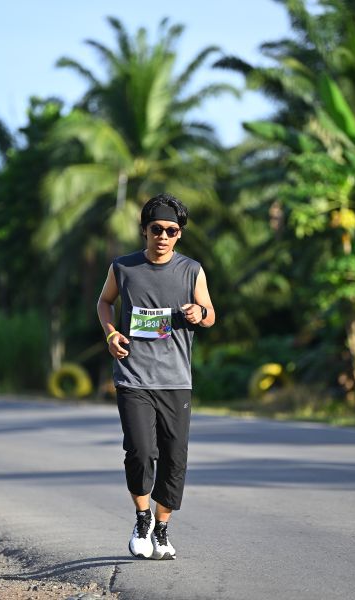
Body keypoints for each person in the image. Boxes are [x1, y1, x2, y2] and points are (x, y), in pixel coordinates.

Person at [97, 192, 215, 560]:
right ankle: (142, 519)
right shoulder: (123, 267)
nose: (163, 236)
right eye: (156, 229)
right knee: (140, 451)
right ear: (145, 230)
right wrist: (111, 334)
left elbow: (210, 313)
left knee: (174, 458)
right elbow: (104, 302)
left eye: (171, 230)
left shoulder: (191, 270)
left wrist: (199, 313)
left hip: (176, 380)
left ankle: (162, 529)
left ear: (179, 234)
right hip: (133, 378)